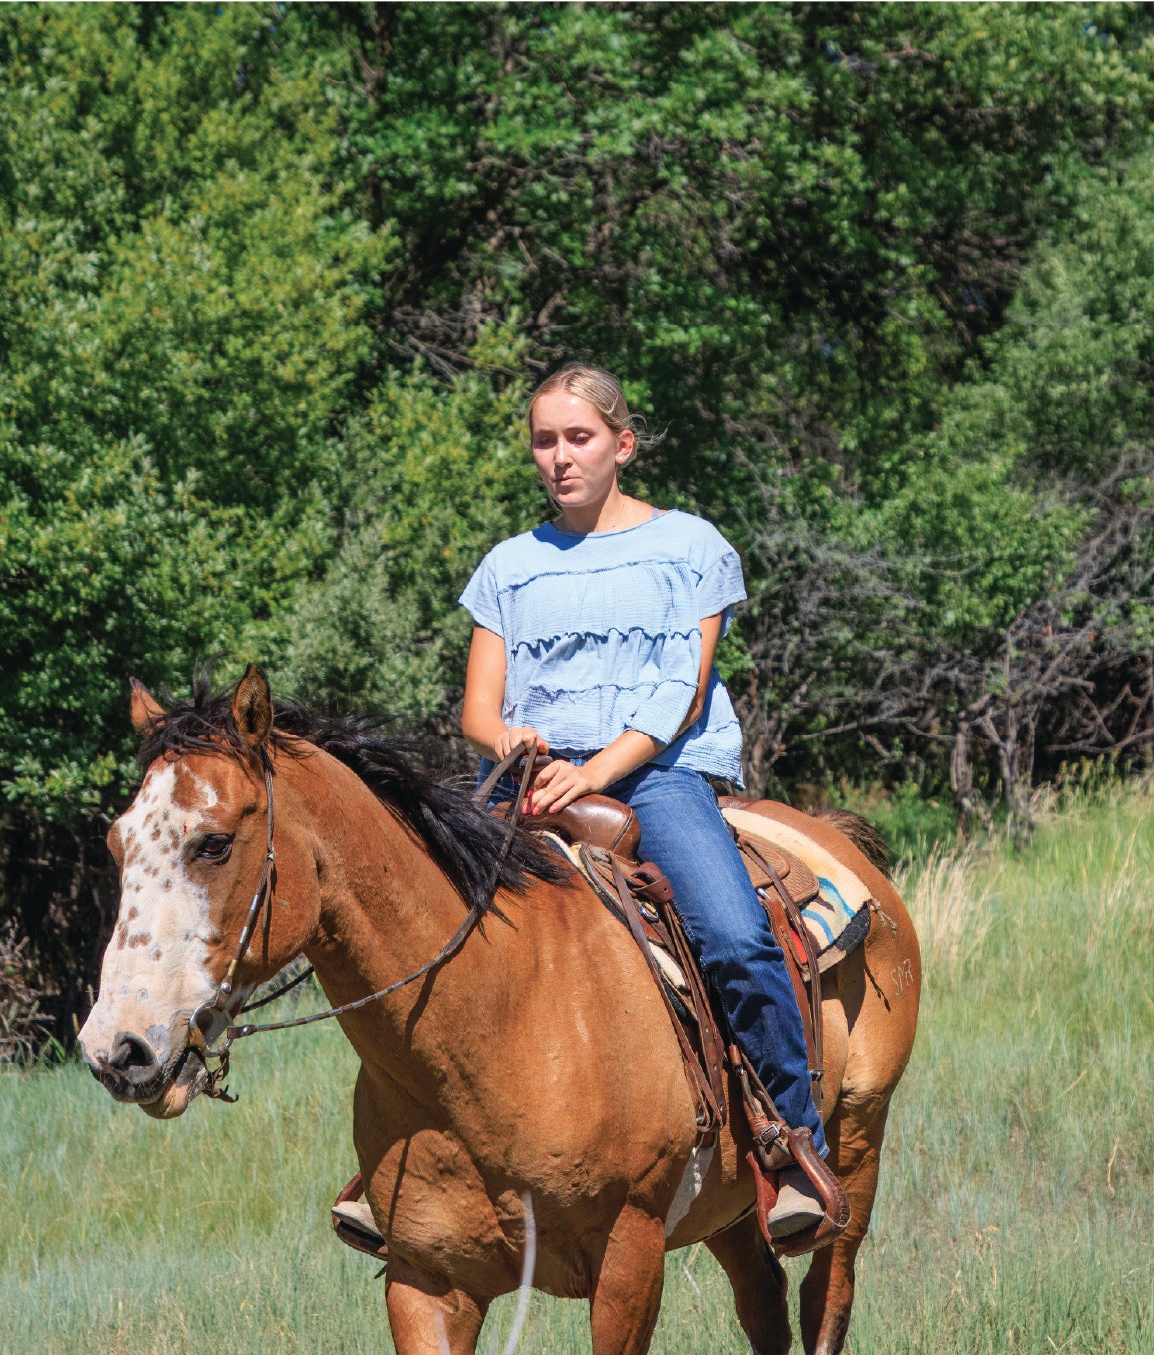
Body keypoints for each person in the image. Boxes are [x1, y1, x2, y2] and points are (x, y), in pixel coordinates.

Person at [333, 362, 831, 1253]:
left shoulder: (690, 547)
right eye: (543, 441)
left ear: (621, 444)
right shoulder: (509, 567)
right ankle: (393, 1161)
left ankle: (791, 1143)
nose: (559, 457)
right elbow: (478, 709)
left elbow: (682, 692)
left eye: (579, 438)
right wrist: (513, 743)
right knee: (417, 931)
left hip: (655, 773)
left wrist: (597, 772)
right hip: (533, 776)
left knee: (733, 932)